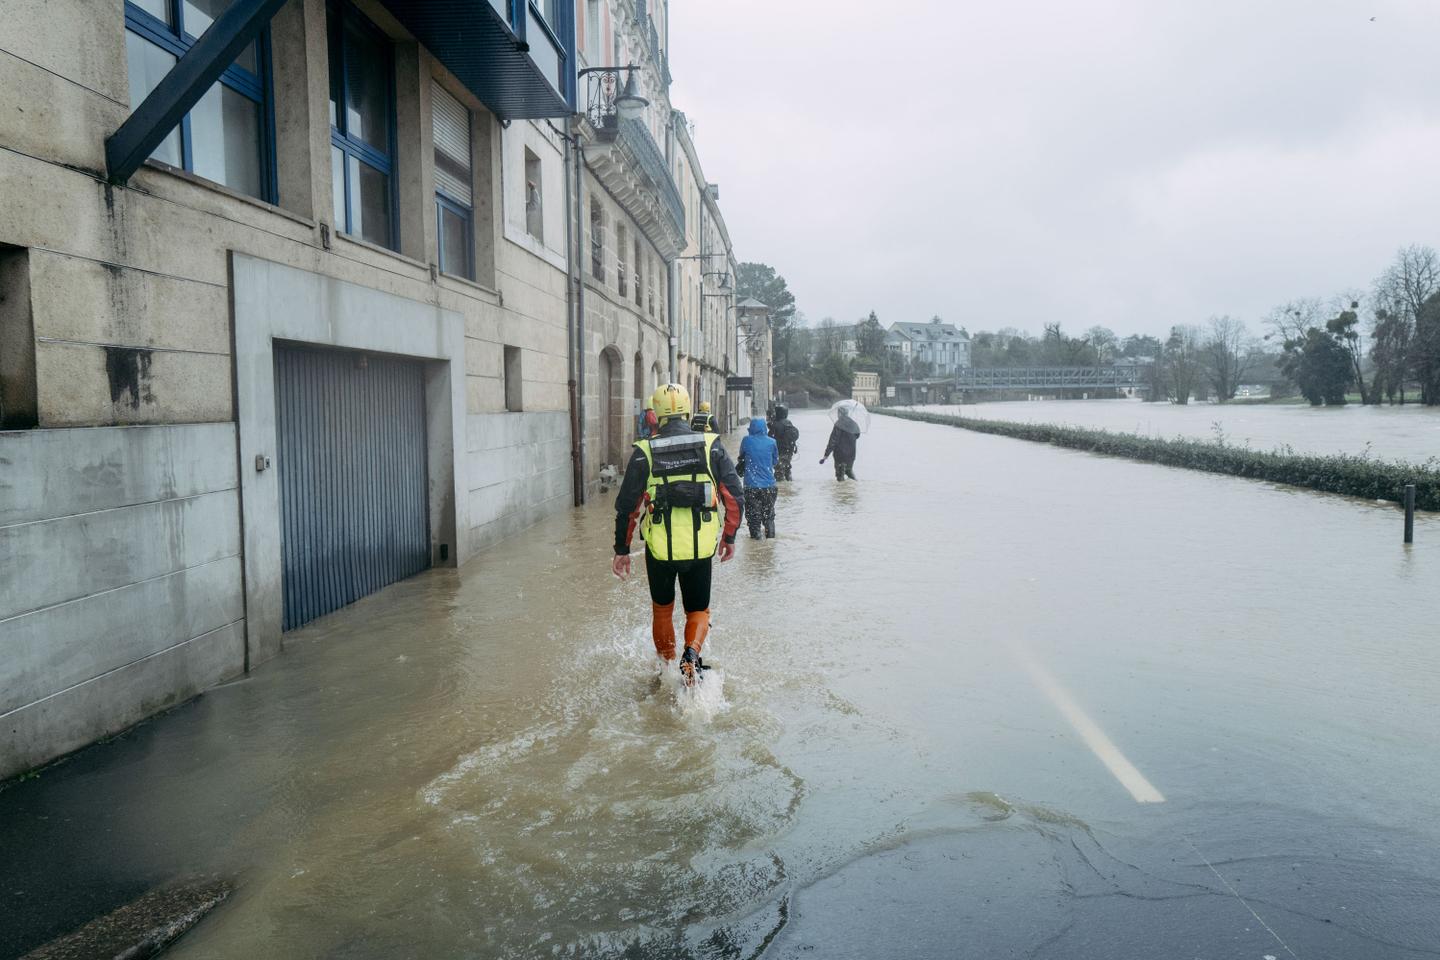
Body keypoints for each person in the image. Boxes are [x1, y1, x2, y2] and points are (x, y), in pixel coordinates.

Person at [613, 383, 744, 683]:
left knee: (662, 609)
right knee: (698, 608)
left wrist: (621, 549)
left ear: (656, 414)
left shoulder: (644, 451)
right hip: (700, 548)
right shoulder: (712, 445)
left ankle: (667, 670)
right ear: (687, 410)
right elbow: (734, 496)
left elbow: (626, 507)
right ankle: (692, 658)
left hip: (660, 549)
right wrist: (729, 536)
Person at [737, 417, 779, 539]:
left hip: (751, 487)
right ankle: (770, 544)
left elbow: (741, 457)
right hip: (770, 487)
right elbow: (775, 461)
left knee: (753, 518)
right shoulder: (772, 442)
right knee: (769, 517)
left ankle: (756, 545)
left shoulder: (746, 441)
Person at [821, 406, 860, 480]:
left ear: (840, 413)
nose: (837, 415)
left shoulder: (839, 424)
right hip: (851, 455)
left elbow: (833, 440)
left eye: (838, 413)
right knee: (849, 471)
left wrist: (826, 454)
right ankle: (854, 488)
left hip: (840, 455)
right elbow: (857, 435)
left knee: (840, 475)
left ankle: (840, 491)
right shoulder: (854, 423)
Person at [768, 404, 800, 481]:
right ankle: (789, 487)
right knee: (787, 469)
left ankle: (782, 491)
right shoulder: (789, 422)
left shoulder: (775, 424)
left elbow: (769, 438)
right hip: (789, 451)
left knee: (779, 473)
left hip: (780, 451)